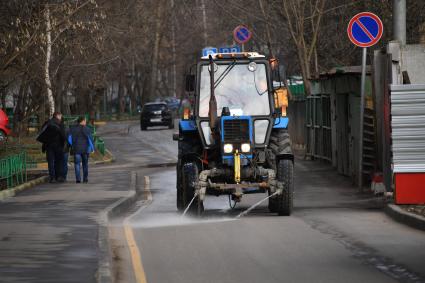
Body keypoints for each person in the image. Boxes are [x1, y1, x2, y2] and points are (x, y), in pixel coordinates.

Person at [37, 112, 66, 183]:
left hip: (48, 146)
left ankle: (52, 177)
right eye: (60, 116)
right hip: (58, 145)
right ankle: (58, 176)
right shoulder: (60, 124)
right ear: (57, 116)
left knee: (50, 162)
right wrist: (64, 143)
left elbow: (42, 133)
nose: (61, 117)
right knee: (58, 161)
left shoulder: (47, 123)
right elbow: (63, 135)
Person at [69, 116, 94, 183]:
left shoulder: (73, 129)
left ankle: (78, 179)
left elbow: (69, 139)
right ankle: (85, 179)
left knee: (77, 164)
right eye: (85, 121)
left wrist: (73, 145)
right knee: (85, 164)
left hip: (76, 149)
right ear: (82, 121)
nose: (85, 122)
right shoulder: (87, 129)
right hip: (85, 149)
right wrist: (92, 148)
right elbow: (90, 140)